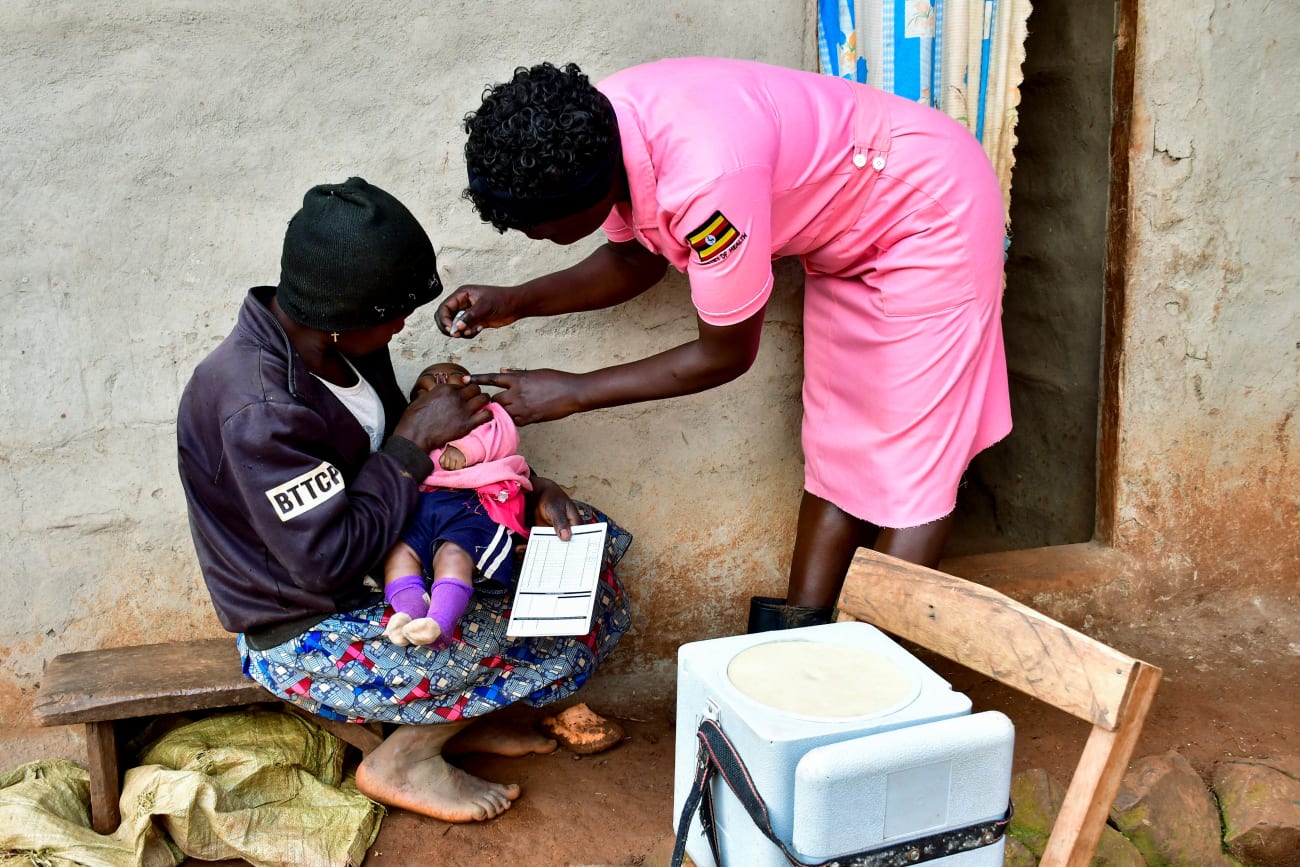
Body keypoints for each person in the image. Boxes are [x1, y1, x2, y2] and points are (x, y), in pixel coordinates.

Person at [440, 58, 1011, 631]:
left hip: (926, 211)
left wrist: (574, 391)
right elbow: (632, 258)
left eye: (535, 227)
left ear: (587, 199)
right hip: (847, 237)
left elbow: (726, 355)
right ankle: (794, 643)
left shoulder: (708, 186)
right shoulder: (594, 125)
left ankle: (875, 674)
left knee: (917, 463)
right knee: (837, 441)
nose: (529, 236)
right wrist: (517, 300)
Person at [176, 176, 633, 823]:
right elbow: (327, 561)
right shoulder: (258, 407)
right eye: (393, 314)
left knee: (586, 549)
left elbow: (431, 481)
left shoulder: (343, 350)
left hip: (392, 565)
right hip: (309, 632)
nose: (401, 327)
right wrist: (414, 438)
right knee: (567, 621)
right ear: (341, 317)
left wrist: (531, 491)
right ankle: (405, 758)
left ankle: (461, 719)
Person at [382, 361, 531, 648]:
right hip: (423, 507)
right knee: (397, 552)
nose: (435, 387)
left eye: (448, 381)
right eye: (421, 391)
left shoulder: (487, 416)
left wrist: (466, 449)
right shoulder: (412, 427)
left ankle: (439, 623)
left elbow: (503, 436)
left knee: (454, 552)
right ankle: (407, 613)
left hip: (470, 505)